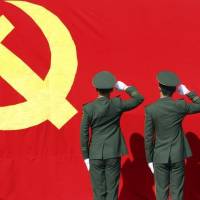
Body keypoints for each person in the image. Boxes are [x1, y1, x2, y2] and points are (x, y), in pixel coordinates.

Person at [80, 71, 144, 200]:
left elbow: (84, 133)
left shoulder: (89, 108)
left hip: (95, 154)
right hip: (113, 152)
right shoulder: (117, 104)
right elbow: (139, 98)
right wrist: (125, 87)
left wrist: (86, 157)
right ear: (112, 90)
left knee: (98, 192)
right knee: (112, 191)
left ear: (96, 89)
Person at [144, 71, 200, 200]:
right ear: (175, 89)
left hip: (159, 156)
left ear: (159, 87)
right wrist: (187, 92)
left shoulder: (151, 109)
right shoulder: (180, 106)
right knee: (177, 193)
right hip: (177, 154)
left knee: (161, 192)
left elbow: (148, 137)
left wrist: (149, 159)